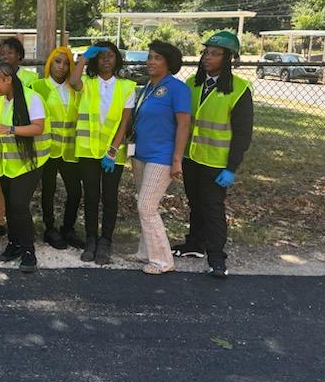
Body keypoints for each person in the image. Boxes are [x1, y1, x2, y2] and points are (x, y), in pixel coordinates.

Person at [172, 31, 253, 278]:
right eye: (206, 52)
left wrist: (231, 168)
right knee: (195, 203)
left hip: (216, 162)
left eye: (216, 54)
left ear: (228, 58)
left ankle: (217, 257)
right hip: (191, 157)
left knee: (212, 207)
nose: (208, 57)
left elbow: (242, 134)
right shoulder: (192, 84)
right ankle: (195, 244)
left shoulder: (239, 90)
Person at [70, 41, 135, 265]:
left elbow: (124, 123)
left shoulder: (127, 86)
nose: (106, 60)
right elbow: (73, 81)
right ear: (95, 61)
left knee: (109, 197)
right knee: (91, 196)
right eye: (101, 57)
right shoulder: (87, 82)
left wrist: (113, 151)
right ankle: (91, 239)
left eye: (110, 56)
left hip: (112, 153)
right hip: (88, 150)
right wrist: (83, 58)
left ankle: (106, 241)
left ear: (116, 59)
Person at [130, 40, 191, 275]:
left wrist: (177, 159)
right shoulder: (148, 87)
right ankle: (145, 252)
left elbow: (184, 124)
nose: (151, 62)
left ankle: (163, 261)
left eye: (157, 58)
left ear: (168, 63)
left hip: (162, 156)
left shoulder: (177, 88)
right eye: (150, 57)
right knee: (144, 204)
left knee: (146, 205)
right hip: (141, 154)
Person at [0, 62, 51, 273]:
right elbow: (1, 129)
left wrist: (9, 129)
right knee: (12, 208)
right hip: (6, 164)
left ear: (8, 79)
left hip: (28, 163)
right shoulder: (3, 101)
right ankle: (14, 243)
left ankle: (29, 251)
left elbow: (38, 128)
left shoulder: (32, 99)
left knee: (19, 206)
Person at [31, 46, 84, 250]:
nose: (61, 67)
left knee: (75, 191)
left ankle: (68, 228)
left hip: (70, 149)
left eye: (66, 63)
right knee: (48, 191)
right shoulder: (38, 87)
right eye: (57, 61)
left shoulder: (75, 88)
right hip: (48, 149)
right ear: (49, 63)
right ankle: (49, 228)